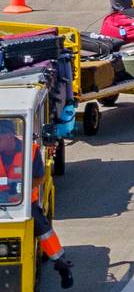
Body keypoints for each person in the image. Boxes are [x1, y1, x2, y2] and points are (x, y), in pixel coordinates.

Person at [0, 121, 75, 288]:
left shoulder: (31, 151)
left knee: (41, 226)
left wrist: (22, 189)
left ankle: (61, 263)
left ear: (9, 136)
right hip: (1, 200)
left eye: (0, 138)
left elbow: (39, 177)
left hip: (24, 201)